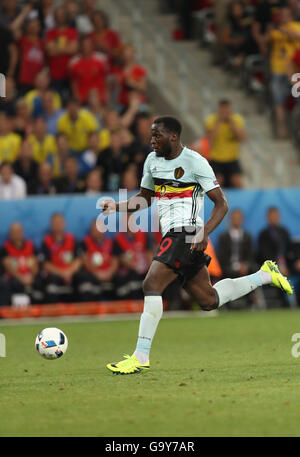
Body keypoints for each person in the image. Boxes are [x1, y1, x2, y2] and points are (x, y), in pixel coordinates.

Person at [101, 116, 293, 375]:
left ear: (173, 137)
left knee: (151, 284)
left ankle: (140, 356)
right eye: (151, 135)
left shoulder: (195, 162)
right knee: (208, 300)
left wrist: (203, 232)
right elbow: (145, 199)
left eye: (157, 135)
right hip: (175, 234)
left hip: (187, 231)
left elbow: (222, 203)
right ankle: (264, 275)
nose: (151, 140)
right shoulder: (151, 161)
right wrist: (117, 206)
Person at [40, 212, 82, 303]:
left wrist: (69, 271)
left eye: (59, 222)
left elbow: (78, 260)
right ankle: (53, 311)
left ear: (64, 223)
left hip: (71, 273)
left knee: (82, 278)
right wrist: (62, 273)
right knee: (50, 281)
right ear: (51, 225)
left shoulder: (72, 239)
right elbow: (46, 264)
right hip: (55, 274)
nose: (57, 225)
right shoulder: (46, 241)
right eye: (55, 223)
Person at [205, 99, 247, 188]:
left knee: (237, 182)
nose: (225, 112)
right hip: (216, 158)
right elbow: (209, 138)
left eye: (227, 110)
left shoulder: (237, 120)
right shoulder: (212, 120)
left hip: (232, 158)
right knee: (217, 183)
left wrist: (231, 122)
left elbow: (241, 138)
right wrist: (219, 122)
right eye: (223, 110)